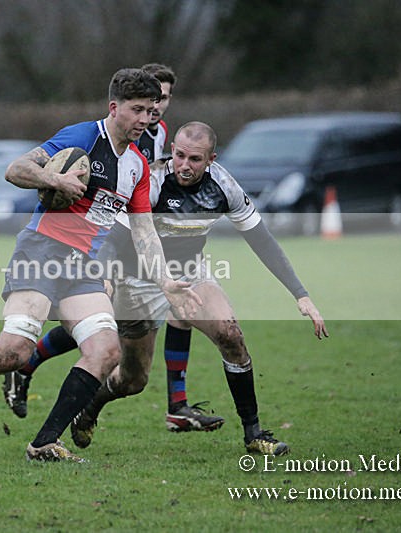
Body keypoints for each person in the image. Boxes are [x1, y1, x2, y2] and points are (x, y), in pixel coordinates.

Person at [0, 68, 201, 462]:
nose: (144, 119)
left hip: (84, 268)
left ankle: (43, 443)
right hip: (41, 252)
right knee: (14, 352)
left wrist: (166, 281)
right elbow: (16, 169)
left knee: (106, 352)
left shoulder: (138, 166)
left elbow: (144, 233)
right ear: (114, 107)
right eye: (136, 110)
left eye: (150, 110)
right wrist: (55, 182)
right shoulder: (82, 137)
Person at [66, 121, 327, 456]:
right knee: (133, 380)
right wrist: (103, 275)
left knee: (231, 335)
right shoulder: (153, 181)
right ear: (171, 150)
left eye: (195, 159)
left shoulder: (224, 186)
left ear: (211, 159)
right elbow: (114, 239)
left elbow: (262, 240)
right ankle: (90, 407)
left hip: (190, 274)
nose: (184, 165)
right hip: (138, 281)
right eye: (179, 155)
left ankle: (254, 434)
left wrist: (300, 294)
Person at [2, 64, 224, 431]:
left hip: (145, 236)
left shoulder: (160, 135)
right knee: (100, 320)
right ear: (120, 106)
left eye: (162, 102)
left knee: (162, 317)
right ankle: (28, 367)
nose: (156, 111)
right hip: (111, 240)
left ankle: (176, 405)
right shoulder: (103, 134)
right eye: (150, 103)